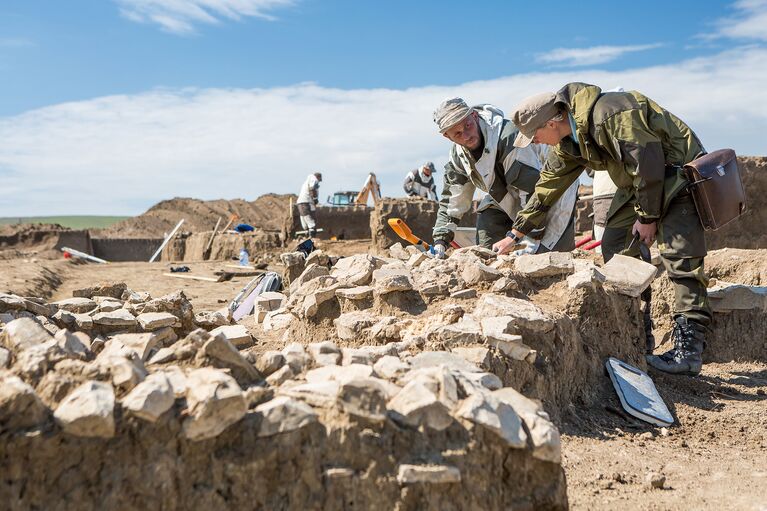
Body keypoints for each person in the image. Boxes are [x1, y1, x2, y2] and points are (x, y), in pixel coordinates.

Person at [499, 82, 710, 376]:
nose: (536, 142)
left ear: (551, 122)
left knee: (680, 255)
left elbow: (647, 158)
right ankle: (638, 333)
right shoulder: (569, 141)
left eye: (535, 135)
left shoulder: (609, 113)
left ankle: (689, 350)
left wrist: (648, 217)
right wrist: (516, 233)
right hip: (638, 182)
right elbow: (548, 185)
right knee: (617, 244)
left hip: (676, 172)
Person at [430, 97, 578, 255]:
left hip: (549, 193)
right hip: (504, 195)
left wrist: (529, 239)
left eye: (468, 126)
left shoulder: (509, 139)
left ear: (473, 115)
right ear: (447, 136)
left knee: (548, 255)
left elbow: (531, 192)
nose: (466, 136)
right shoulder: (458, 157)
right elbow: (452, 201)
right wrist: (441, 241)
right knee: (488, 241)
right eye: (458, 134)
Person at [296, 172, 322, 237]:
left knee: (305, 223)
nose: (319, 182)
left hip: (304, 202)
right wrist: (315, 198)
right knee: (310, 222)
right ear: (318, 177)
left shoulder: (307, 181)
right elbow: (312, 188)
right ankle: (311, 236)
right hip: (304, 202)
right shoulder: (313, 179)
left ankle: (308, 234)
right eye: (319, 180)